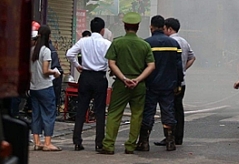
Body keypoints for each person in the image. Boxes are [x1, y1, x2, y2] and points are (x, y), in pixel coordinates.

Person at [98, 12, 155, 155]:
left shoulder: (117, 42)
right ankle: (130, 146)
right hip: (139, 85)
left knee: (114, 114)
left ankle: (109, 145)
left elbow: (111, 63)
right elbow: (151, 66)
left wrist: (124, 78)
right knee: (137, 115)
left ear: (124, 26)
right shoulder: (145, 45)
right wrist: (138, 79)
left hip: (120, 84)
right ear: (138, 27)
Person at [136, 15, 183, 152]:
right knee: (168, 112)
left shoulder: (146, 43)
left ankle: (144, 142)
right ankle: (170, 142)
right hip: (168, 85)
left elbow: (141, 65)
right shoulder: (174, 44)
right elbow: (179, 67)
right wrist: (178, 83)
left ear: (151, 27)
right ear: (163, 27)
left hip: (150, 85)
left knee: (148, 113)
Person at [66, 17, 111, 152]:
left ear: (91, 28)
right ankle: (99, 142)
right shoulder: (107, 43)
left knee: (81, 108)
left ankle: (77, 141)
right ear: (103, 30)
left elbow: (69, 54)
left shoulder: (83, 41)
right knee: (100, 111)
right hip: (99, 77)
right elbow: (111, 60)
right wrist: (108, 67)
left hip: (85, 76)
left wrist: (77, 65)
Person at [154, 18, 196, 146]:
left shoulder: (170, 42)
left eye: (164, 28)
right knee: (178, 109)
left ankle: (169, 137)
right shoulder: (184, 41)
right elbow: (192, 57)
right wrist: (183, 69)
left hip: (171, 82)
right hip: (181, 81)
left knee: (168, 110)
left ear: (169, 28)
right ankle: (178, 137)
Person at [30, 25, 62, 151]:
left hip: (33, 87)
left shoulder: (32, 50)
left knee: (36, 114)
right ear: (48, 36)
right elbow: (45, 71)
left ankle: (37, 142)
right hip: (45, 87)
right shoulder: (46, 51)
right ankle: (47, 143)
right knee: (49, 114)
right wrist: (54, 72)